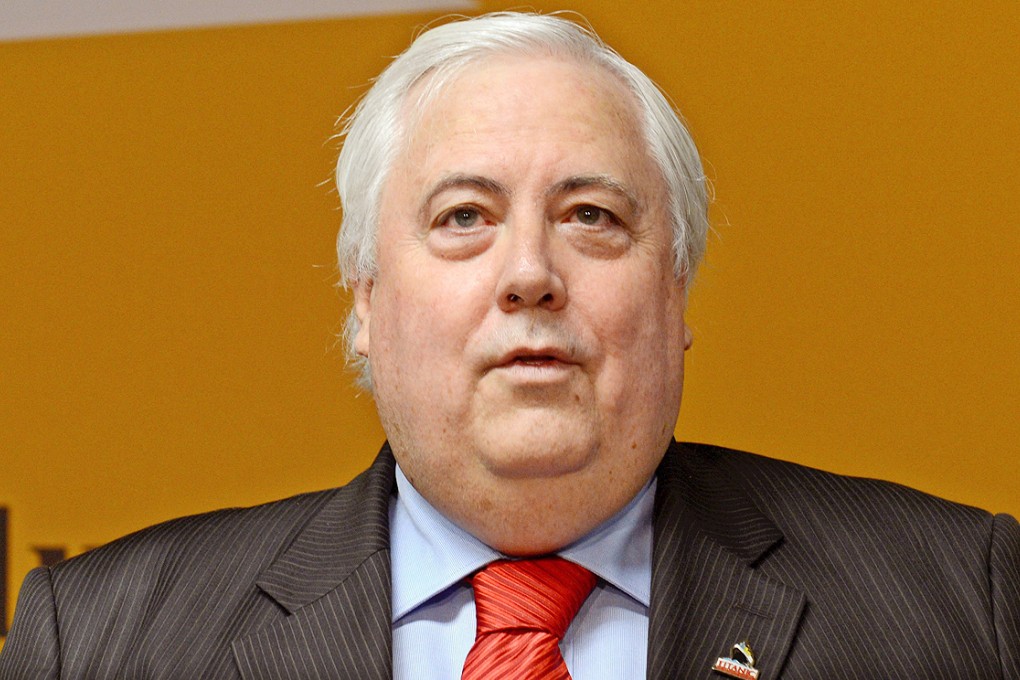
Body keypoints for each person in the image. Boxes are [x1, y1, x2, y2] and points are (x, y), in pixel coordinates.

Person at [1, 11, 1017, 680]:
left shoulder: (964, 602)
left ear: (676, 291)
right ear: (365, 295)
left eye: (591, 216)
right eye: (462, 218)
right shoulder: (97, 638)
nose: (530, 271)